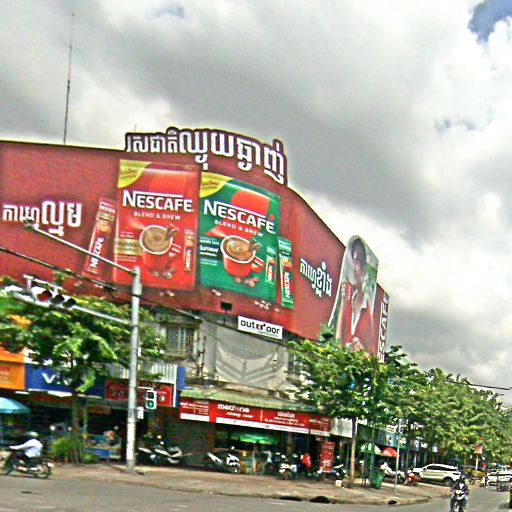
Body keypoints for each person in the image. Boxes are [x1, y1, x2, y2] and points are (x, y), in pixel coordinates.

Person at [336, 238, 375, 352]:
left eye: (356, 262)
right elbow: (337, 345)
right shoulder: (348, 304)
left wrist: (361, 353)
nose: (353, 268)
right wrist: (343, 305)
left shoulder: (368, 314)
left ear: (363, 270)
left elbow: (372, 357)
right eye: (353, 262)